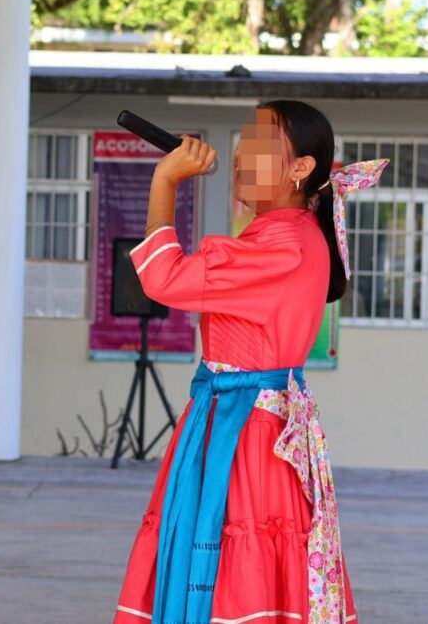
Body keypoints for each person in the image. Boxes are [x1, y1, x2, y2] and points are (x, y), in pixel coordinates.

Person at [112, 101, 388, 624]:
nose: (240, 155)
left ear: (300, 167)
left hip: (246, 435)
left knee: (237, 575)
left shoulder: (284, 243)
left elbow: (163, 279)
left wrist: (165, 181)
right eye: (242, 143)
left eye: (259, 144)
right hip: (241, 423)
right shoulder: (282, 234)